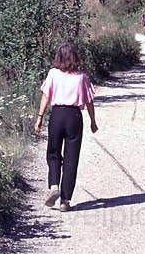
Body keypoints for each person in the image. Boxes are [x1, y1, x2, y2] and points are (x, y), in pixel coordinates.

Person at [34, 43, 98, 212]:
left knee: (54, 153)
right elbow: (89, 101)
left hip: (57, 115)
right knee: (71, 159)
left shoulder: (53, 74)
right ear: (75, 57)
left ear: (59, 57)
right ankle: (65, 201)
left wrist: (39, 117)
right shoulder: (82, 77)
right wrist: (93, 121)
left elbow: (46, 96)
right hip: (74, 117)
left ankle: (54, 185)